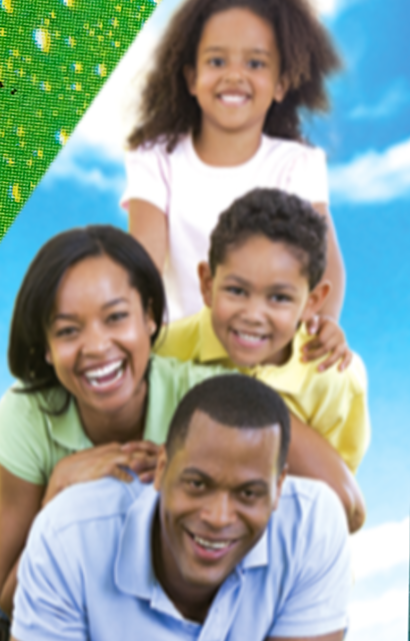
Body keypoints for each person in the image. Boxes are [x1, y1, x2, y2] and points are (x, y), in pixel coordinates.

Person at [5, 372, 351, 641]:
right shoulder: (70, 533)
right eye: (197, 484)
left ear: (279, 487)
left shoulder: (312, 525)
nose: (218, 517)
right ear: (163, 468)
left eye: (248, 493)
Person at [0, 225, 223, 641]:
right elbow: (13, 595)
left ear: (150, 317)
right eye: (68, 330)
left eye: (116, 317)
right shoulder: (26, 413)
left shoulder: (202, 397)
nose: (96, 347)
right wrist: (57, 493)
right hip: (69, 574)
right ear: (47, 348)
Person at [120, 0, 348, 359]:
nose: (234, 76)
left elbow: (325, 262)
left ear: (281, 83)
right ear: (191, 78)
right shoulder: (157, 160)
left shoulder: (295, 165)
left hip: (267, 353)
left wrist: (325, 324)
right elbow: (144, 262)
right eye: (217, 61)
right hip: (184, 355)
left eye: (255, 64)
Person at [155, 186, 370, 532]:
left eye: (279, 298)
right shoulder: (167, 349)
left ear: (313, 302)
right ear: (207, 284)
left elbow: (340, 507)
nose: (253, 315)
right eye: (236, 291)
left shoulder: (334, 377)